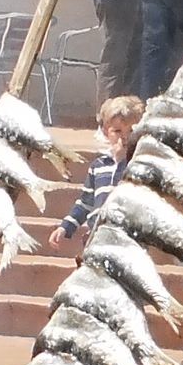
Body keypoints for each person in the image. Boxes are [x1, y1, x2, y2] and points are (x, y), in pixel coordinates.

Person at [49, 95, 145, 249]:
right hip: (96, 237)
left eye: (131, 131)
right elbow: (85, 203)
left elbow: (121, 194)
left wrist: (121, 162)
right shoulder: (98, 166)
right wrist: (65, 227)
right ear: (106, 132)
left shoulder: (140, 165)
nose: (125, 137)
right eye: (117, 131)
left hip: (126, 239)